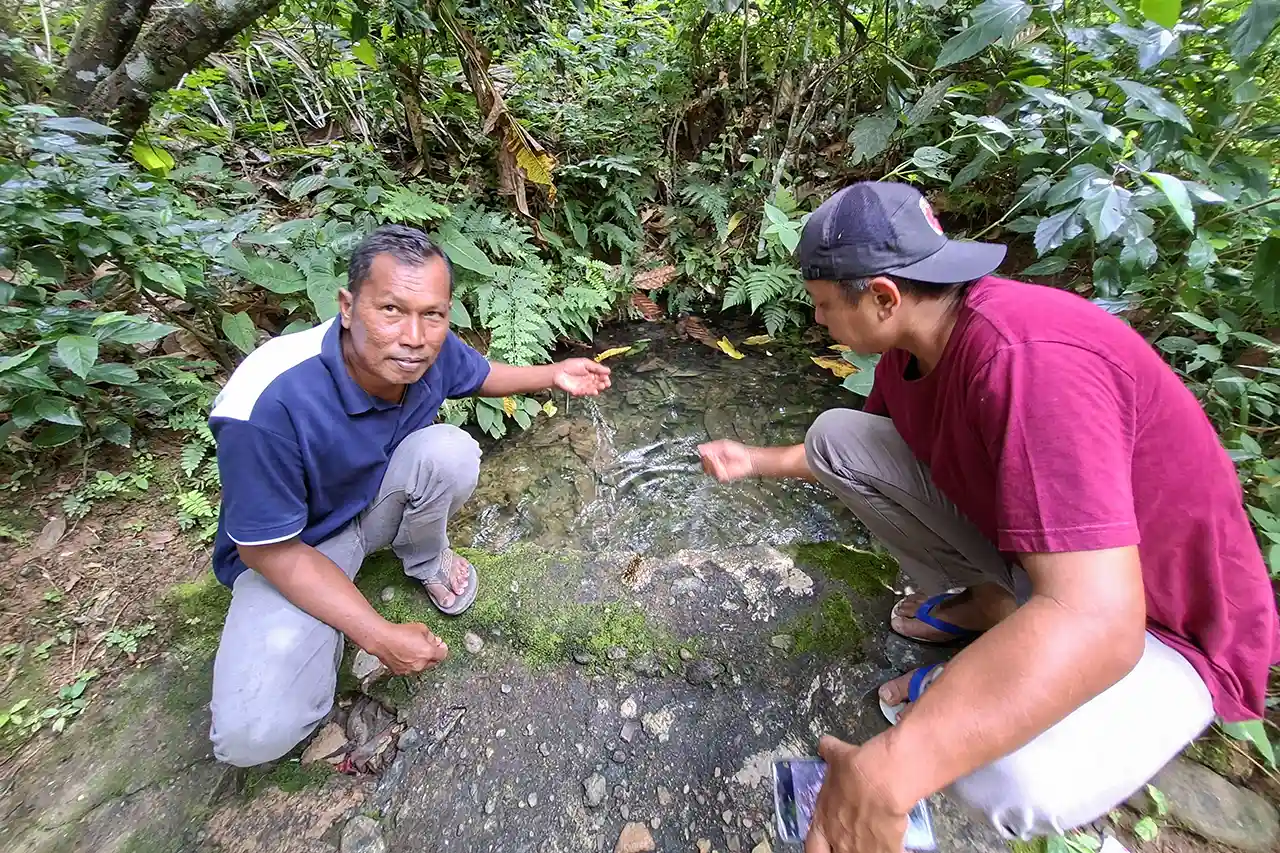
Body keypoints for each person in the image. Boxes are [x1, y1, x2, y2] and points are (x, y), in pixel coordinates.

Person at [698, 181, 1279, 850]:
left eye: (826, 305)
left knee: (1004, 776)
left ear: (884, 296)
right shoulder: (913, 349)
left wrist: (894, 767)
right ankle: (994, 603)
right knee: (838, 436)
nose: (820, 321)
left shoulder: (1026, 359)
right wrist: (756, 459)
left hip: (1164, 623)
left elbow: (1101, 619)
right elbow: (855, 458)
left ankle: (1000, 638)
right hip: (1056, 567)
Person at [206, 224, 612, 767]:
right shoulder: (266, 404)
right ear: (347, 307)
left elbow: (480, 373)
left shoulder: (425, 351)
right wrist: (375, 634)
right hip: (294, 550)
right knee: (250, 738)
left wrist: (553, 374)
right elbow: (267, 550)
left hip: (364, 510)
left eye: (433, 314)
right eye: (391, 310)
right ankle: (326, 624)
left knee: (450, 451)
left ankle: (423, 560)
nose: (414, 336)